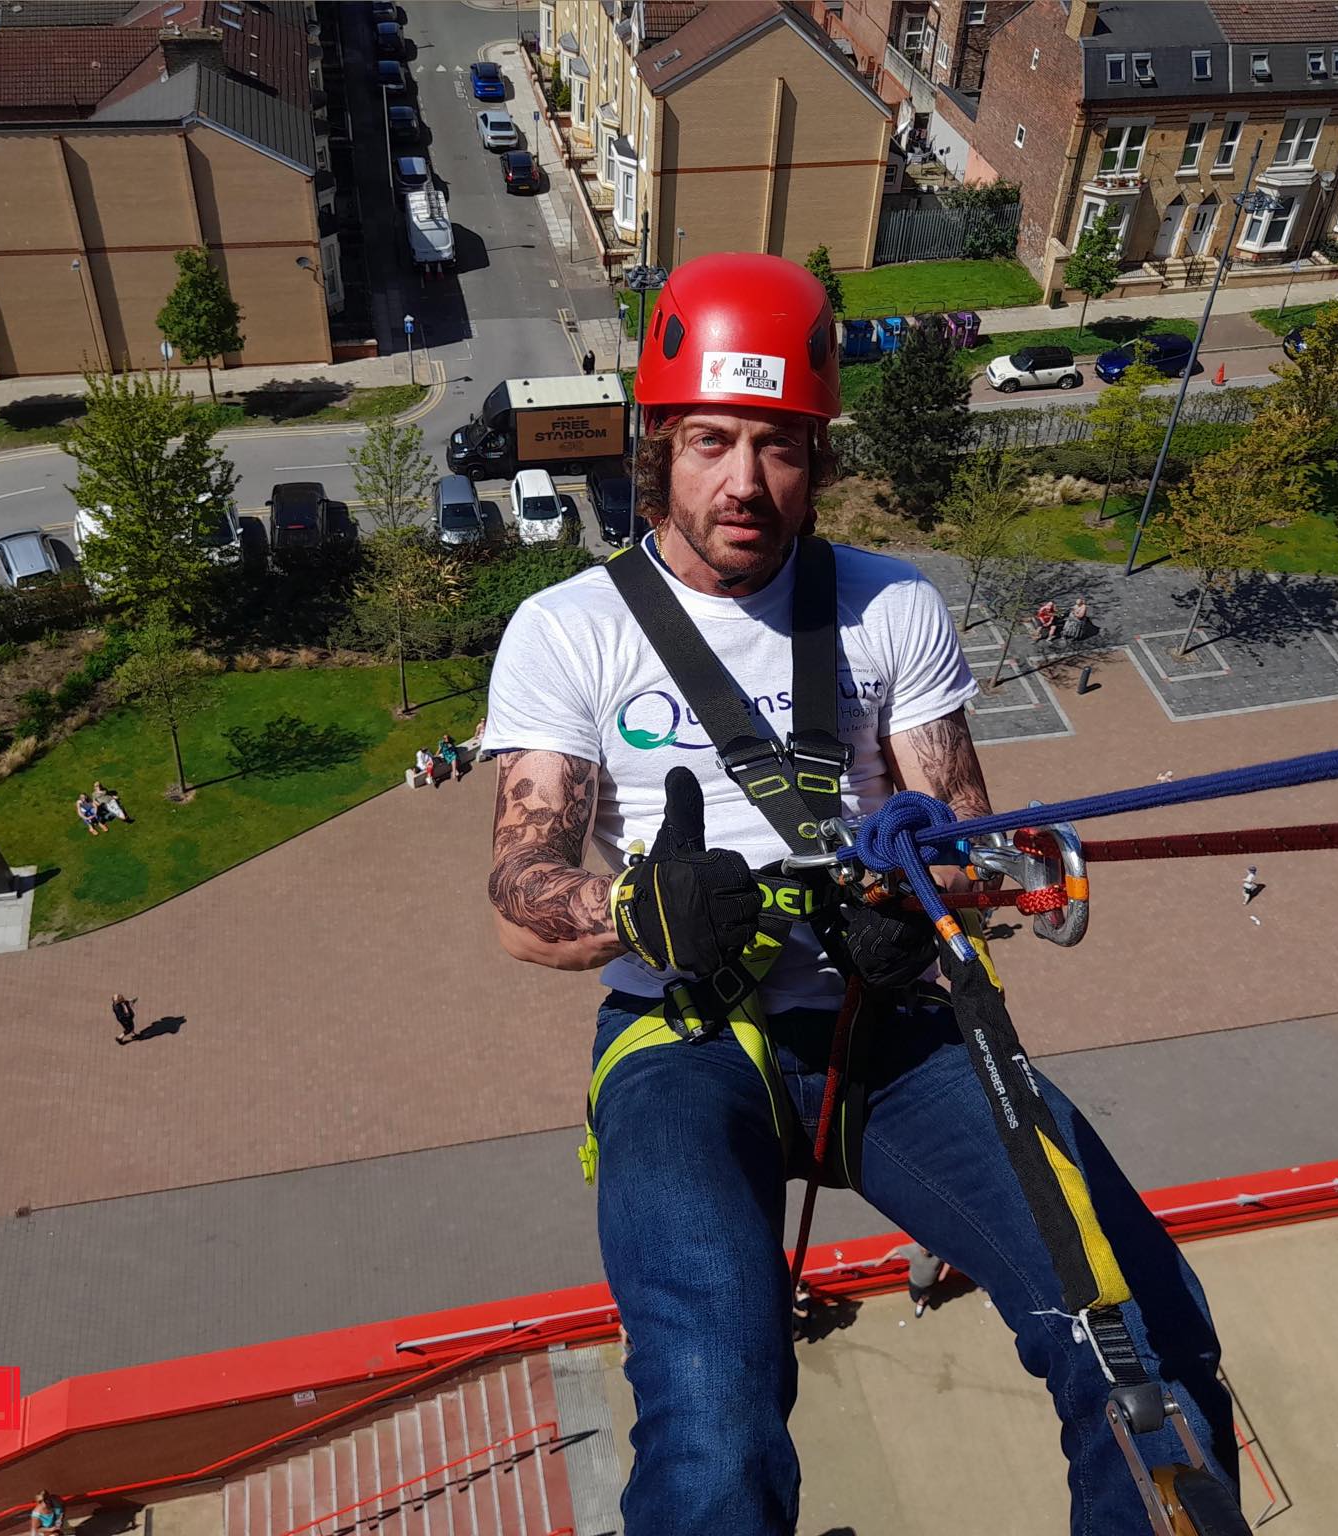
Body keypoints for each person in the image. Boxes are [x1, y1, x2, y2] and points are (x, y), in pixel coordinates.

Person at [480, 253, 1233, 1536]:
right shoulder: (569, 631)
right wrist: (637, 912)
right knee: (712, 1428)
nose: (741, 482)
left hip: (888, 1032)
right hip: (682, 1041)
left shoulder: (889, 608)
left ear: (816, 459)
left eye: (777, 447)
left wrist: (923, 894)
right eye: (711, 440)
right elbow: (519, 886)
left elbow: (962, 837)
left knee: (1139, 1340)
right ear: (656, 446)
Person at [893, 1242, 945, 1318]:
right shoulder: (914, 1249)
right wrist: (881, 1260)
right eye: (923, 1249)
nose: (924, 1252)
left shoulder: (939, 1251)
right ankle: (919, 1301)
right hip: (915, 1283)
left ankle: (921, 1303)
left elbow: (948, 1260)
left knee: (927, 1295)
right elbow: (897, 1249)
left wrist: (944, 1272)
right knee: (915, 1298)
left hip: (930, 1283)